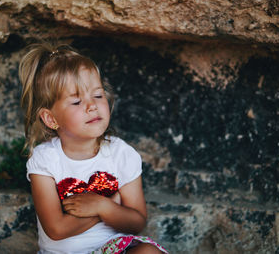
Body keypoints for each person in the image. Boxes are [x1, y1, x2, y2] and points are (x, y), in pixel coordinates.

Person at [19, 42, 168, 254]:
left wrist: (103, 206)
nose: (92, 105)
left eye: (98, 95)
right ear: (51, 119)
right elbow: (57, 229)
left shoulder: (121, 154)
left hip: (112, 250)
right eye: (77, 101)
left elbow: (136, 222)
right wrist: (106, 207)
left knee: (148, 252)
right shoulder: (45, 159)